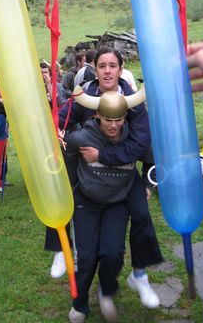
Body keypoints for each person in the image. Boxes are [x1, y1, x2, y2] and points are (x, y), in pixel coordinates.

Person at [52, 46, 162, 308]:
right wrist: (56, 127)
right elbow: (64, 118)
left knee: (142, 215)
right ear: (95, 69)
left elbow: (139, 145)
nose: (108, 70)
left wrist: (102, 155)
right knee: (61, 194)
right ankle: (59, 249)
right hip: (89, 173)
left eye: (113, 65)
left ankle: (139, 273)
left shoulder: (133, 102)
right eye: (102, 66)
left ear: (121, 69)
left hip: (124, 170)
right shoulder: (85, 95)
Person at [67, 103, 141, 321]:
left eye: (119, 120)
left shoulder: (133, 139)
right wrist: (68, 183)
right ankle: (79, 304)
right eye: (108, 120)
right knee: (87, 256)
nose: (114, 125)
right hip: (86, 202)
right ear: (98, 115)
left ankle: (106, 289)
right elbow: (64, 148)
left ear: (125, 117)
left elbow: (148, 153)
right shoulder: (82, 138)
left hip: (117, 203)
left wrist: (145, 184)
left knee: (113, 252)